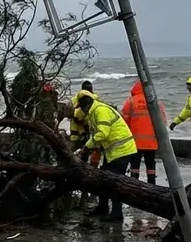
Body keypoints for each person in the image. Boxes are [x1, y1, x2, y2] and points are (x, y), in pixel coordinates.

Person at [75, 93, 139, 222]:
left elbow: (103, 133)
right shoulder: (95, 112)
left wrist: (87, 146)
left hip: (122, 150)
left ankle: (116, 213)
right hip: (113, 152)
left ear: (86, 106)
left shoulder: (100, 111)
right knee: (103, 179)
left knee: (115, 183)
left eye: (81, 108)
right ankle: (103, 207)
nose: (81, 111)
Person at [121, 81, 167, 184]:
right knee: (150, 164)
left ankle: (133, 184)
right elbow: (162, 122)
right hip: (151, 142)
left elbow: (124, 122)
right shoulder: (155, 102)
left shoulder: (130, 102)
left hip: (135, 142)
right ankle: (152, 184)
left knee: (134, 164)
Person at [69, 81, 103, 166]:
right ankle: (91, 168)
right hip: (88, 130)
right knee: (92, 149)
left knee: (73, 151)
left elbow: (70, 113)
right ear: (91, 89)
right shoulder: (95, 98)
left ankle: (72, 165)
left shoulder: (74, 99)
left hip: (75, 130)